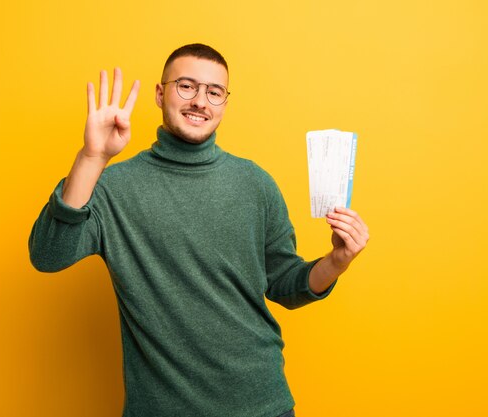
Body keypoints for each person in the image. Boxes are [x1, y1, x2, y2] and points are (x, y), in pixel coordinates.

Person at [29, 43, 369, 417]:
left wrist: (337, 261)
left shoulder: (255, 184)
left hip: (262, 405)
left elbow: (286, 285)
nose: (200, 102)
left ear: (225, 103)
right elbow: (48, 255)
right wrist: (92, 158)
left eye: (214, 92)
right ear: (160, 94)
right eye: (186, 86)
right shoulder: (113, 187)